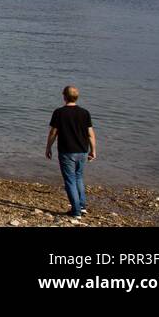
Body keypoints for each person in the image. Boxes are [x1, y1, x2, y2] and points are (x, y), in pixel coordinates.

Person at [46, 85, 97, 218]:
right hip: (82, 150)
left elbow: (53, 132)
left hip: (67, 151)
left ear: (64, 96)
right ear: (76, 97)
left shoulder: (59, 112)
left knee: (70, 180)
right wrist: (93, 150)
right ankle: (82, 206)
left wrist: (48, 147)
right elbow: (90, 134)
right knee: (78, 177)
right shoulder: (85, 112)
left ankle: (76, 211)